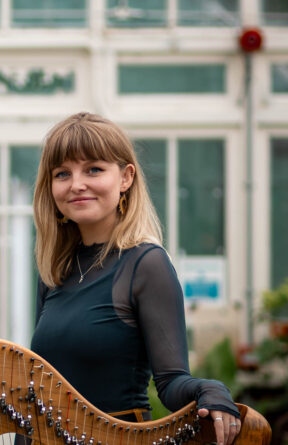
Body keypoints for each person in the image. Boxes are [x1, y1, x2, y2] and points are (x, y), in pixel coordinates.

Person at [28, 112, 240, 445]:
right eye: (62, 173)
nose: (76, 184)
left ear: (126, 177)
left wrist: (208, 389)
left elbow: (170, 384)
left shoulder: (146, 264)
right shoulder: (54, 270)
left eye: (93, 169)